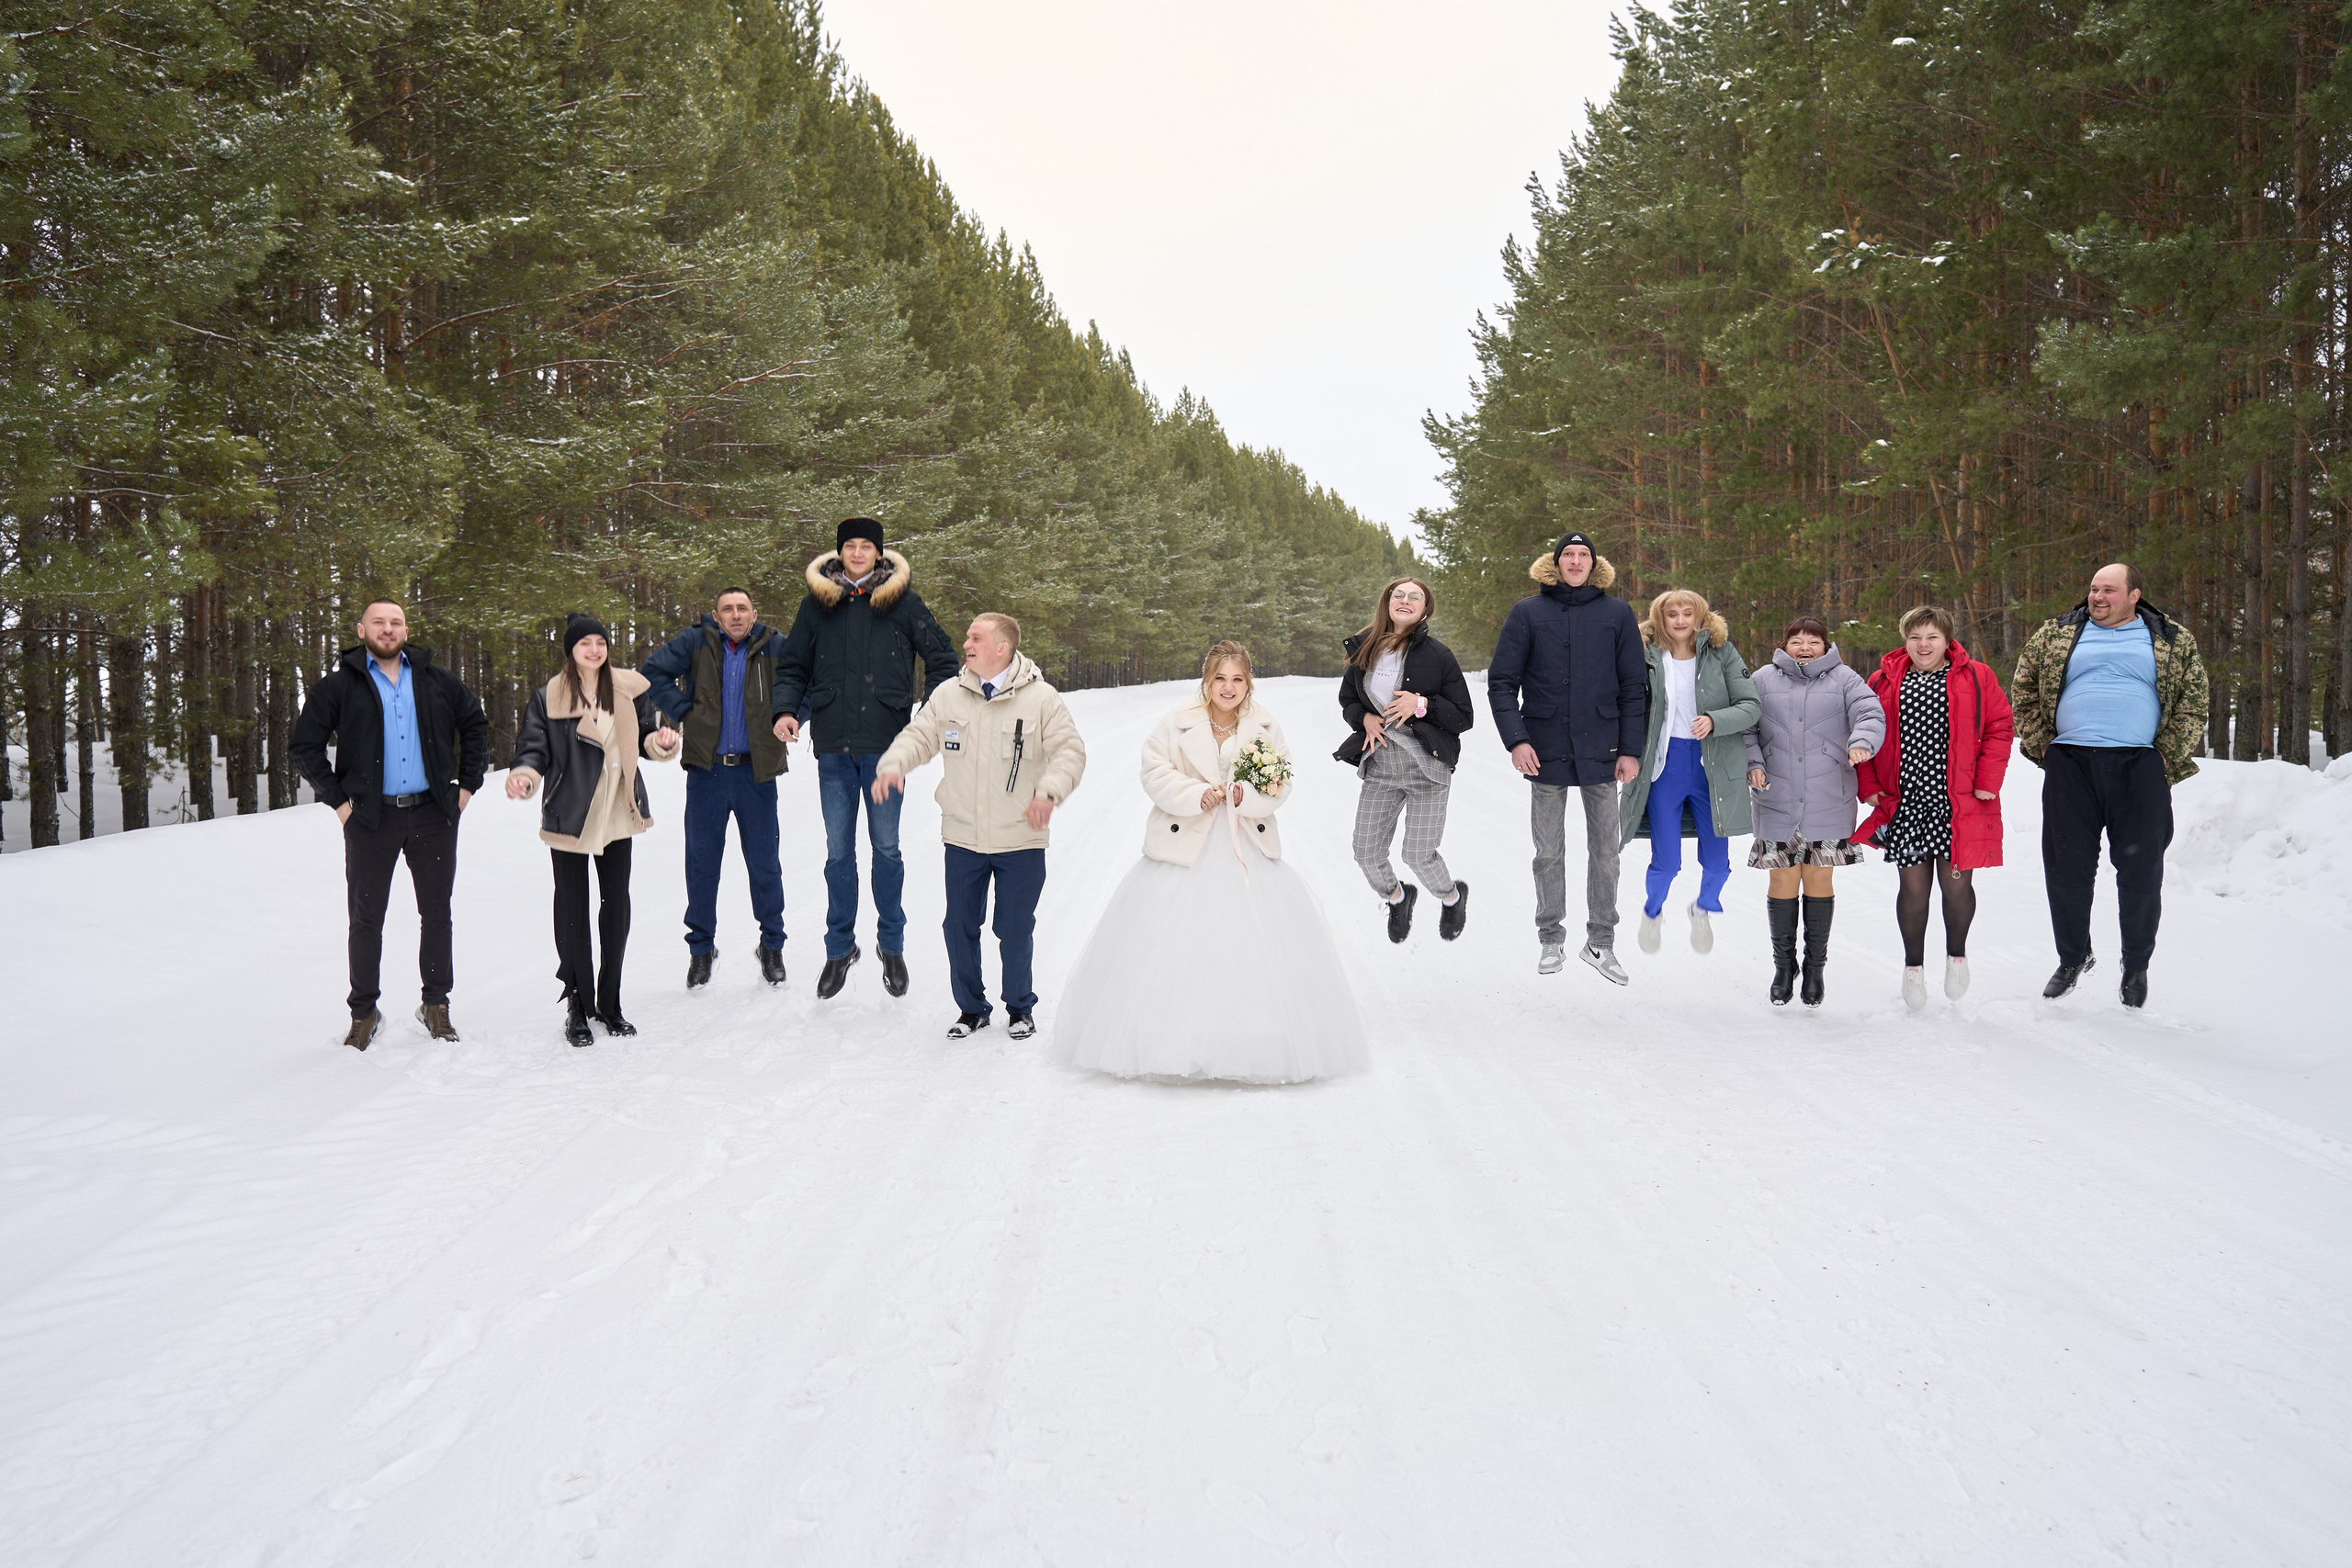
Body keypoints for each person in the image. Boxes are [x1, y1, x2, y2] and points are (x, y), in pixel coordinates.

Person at [1054, 641, 1367, 1083]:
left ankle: (1252, 1044)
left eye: (1238, 679)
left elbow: (1280, 781)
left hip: (1247, 846)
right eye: (1220, 678)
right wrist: (1194, 794)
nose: (1229, 687)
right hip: (1185, 844)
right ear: (1207, 680)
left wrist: (1247, 795)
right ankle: (1169, 1040)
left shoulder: (1265, 724)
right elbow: (1154, 770)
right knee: (1173, 943)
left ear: (1248, 683)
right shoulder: (1176, 722)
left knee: (1253, 945)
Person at [874, 614, 1088, 1039]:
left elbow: (1070, 752)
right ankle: (971, 1009)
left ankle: (1020, 1008)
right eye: (968, 637)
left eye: (976, 637)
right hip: (963, 836)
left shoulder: (1041, 698)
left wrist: (1047, 793)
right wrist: (895, 763)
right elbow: (919, 736)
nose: (966, 643)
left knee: (1013, 927)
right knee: (959, 926)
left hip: (1020, 838)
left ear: (1002, 648)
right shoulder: (949, 695)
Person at [773, 517, 960, 1001]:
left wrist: (927, 714)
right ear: (839, 553)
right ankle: (840, 949)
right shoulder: (818, 606)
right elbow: (793, 664)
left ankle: (891, 945)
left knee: (887, 849)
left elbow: (942, 658)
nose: (857, 553)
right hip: (834, 746)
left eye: (866, 547)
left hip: (886, 747)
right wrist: (787, 710)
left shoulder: (903, 603)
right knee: (838, 853)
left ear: (879, 554)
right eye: (849, 546)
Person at [290, 598, 489, 1050]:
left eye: (395, 622)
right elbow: (305, 746)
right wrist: (340, 804)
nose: (388, 628)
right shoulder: (339, 687)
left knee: (437, 913)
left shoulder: (435, 680)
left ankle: (436, 1006)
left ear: (405, 630)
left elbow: (475, 723)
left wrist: (466, 787)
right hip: (369, 818)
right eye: (378, 622)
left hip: (433, 815)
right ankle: (364, 1012)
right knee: (366, 918)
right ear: (361, 631)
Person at [2010, 562, 2211, 1008]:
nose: (2097, 597)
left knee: (2141, 872)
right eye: (2094, 589)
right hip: (2070, 763)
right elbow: (2022, 688)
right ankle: (2073, 957)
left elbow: (2194, 702)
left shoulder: (2171, 638)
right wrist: (2044, 745)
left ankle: (2136, 965)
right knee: (2067, 867)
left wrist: (2164, 754)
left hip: (2139, 766)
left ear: (2134, 595)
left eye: (2109, 590)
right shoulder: (2057, 631)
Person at [507, 615, 682, 1044]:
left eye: (600, 642)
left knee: (615, 907)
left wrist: (659, 744)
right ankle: (578, 1007)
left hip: (618, 809)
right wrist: (525, 776)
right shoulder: (549, 695)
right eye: (584, 643)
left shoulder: (627, 688)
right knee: (571, 910)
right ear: (571, 649)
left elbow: (641, 736)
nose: (593, 649)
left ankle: (611, 1002)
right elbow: (533, 748)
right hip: (571, 812)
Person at [1488, 532, 1646, 983]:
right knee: (1548, 851)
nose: (1575, 561)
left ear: (1593, 564)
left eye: (1583, 555)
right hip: (1545, 749)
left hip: (1603, 748)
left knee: (1606, 853)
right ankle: (1550, 938)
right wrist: (1517, 740)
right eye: (1568, 555)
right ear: (1554, 564)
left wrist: (1631, 750)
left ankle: (1601, 943)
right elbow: (1501, 682)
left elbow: (1635, 688)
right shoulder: (1527, 612)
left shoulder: (1616, 613)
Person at [1855, 606, 2015, 1010]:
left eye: (1931, 638)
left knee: (1957, 885)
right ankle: (1913, 969)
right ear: (1904, 639)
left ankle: (1956, 956)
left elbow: (2000, 726)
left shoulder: (1976, 677)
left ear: (1947, 640)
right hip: (1906, 802)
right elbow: (1866, 734)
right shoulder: (1884, 680)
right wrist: (1870, 786)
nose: (1923, 646)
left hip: (1957, 804)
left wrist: (1986, 783)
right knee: (1912, 888)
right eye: (1915, 637)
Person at [640, 588, 794, 989]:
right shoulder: (696, 642)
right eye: (728, 609)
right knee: (702, 866)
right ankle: (701, 950)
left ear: (754, 613)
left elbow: (803, 683)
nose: (736, 614)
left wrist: (788, 713)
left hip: (756, 774)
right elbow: (652, 671)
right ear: (716, 615)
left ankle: (772, 946)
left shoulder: (776, 645)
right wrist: (684, 711)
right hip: (706, 774)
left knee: (764, 865)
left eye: (743, 608)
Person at [1742, 616, 1883, 1007]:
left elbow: (1870, 714)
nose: (1805, 648)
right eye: (1797, 641)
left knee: (1819, 882)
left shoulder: (1845, 678)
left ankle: (1815, 968)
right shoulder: (1762, 679)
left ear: (1827, 645)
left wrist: (1862, 742)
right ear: (1784, 645)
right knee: (1783, 882)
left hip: (1828, 794)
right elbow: (1746, 727)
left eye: (1814, 642)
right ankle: (1783, 967)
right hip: (1776, 795)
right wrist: (1753, 762)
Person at [1618, 590, 1760, 955]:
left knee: (1718, 864)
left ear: (1699, 618)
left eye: (1688, 613)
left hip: (1711, 767)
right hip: (1666, 766)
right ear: (1659, 619)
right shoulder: (1645, 656)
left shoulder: (1722, 652)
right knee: (1666, 863)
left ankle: (1703, 909)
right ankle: (1652, 912)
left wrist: (1715, 720)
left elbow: (1751, 705)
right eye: (1672, 614)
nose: (1680, 620)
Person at [1334, 577, 1476, 942]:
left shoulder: (1439, 656)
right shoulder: (1364, 650)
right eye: (1399, 594)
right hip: (1381, 766)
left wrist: (1422, 704)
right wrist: (1362, 718)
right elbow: (1348, 700)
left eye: (1416, 597)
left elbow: (1464, 717)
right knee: (1365, 853)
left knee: (1418, 854)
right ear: (1387, 602)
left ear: (1425, 608)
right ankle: (1399, 897)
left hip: (1426, 768)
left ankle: (1451, 897)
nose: (1406, 600)